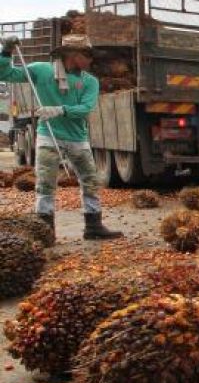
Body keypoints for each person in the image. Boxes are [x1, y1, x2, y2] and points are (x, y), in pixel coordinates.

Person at [0, 34, 123, 240]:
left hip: (78, 139)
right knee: (45, 183)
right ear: (73, 55)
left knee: (90, 181)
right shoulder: (41, 70)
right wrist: (6, 51)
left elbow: (85, 109)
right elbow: (6, 74)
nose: (91, 60)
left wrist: (60, 110)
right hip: (49, 136)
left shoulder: (89, 81)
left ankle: (93, 226)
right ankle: (45, 231)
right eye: (87, 55)